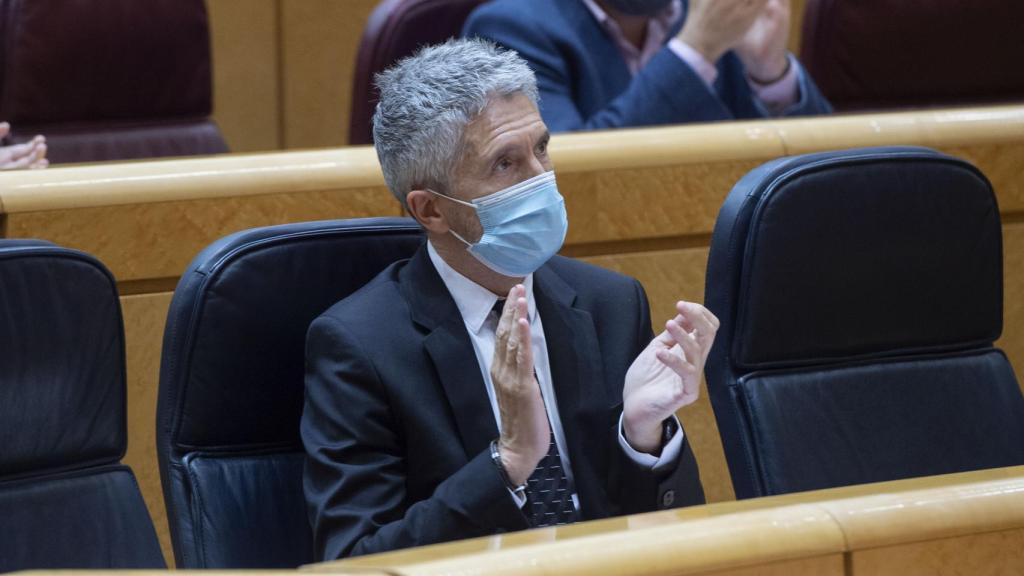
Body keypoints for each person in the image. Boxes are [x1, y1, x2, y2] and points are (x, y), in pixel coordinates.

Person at [302, 39, 718, 560]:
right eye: (505, 164)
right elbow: (355, 559)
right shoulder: (361, 348)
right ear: (431, 210)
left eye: (541, 148)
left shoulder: (608, 304)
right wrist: (509, 463)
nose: (542, 179)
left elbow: (672, 533)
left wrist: (643, 437)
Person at [462, 0, 832, 132]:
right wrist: (696, 49)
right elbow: (567, 175)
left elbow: (821, 170)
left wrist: (770, 72)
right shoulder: (510, 27)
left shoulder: (709, 14)